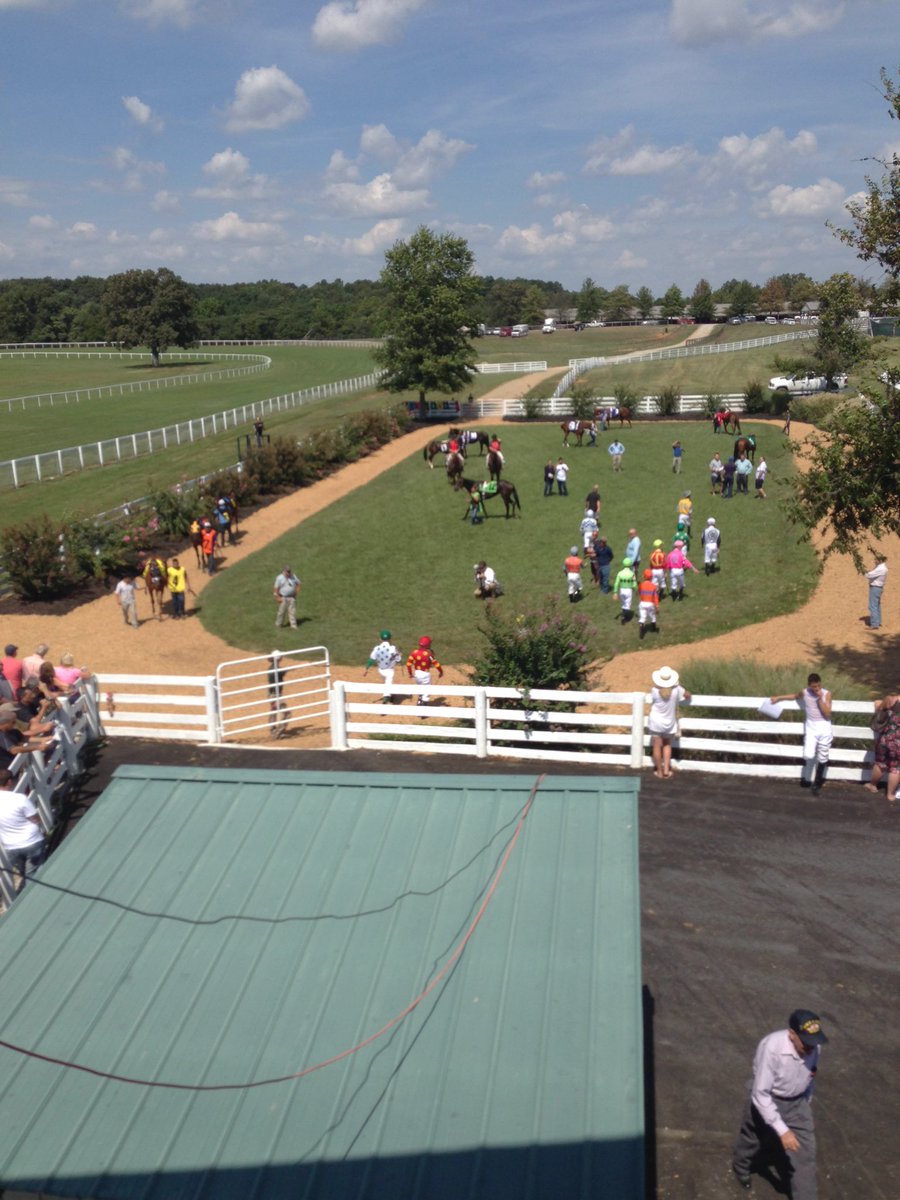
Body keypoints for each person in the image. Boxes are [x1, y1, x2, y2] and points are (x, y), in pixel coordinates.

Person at [732, 1009, 828, 1197]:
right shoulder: (771, 1047)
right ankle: (741, 1166)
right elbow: (761, 1094)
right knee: (752, 1139)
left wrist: (806, 1100)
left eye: (814, 1042)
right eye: (806, 1043)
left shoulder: (815, 1045)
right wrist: (783, 1131)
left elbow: (811, 1073)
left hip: (797, 1103)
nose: (811, 1048)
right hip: (768, 1098)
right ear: (792, 1034)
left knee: (804, 1156)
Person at [771, 674, 833, 792]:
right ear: (809, 685)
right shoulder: (805, 692)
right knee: (808, 754)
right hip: (811, 726)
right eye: (814, 686)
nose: (817, 689)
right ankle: (807, 776)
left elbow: (828, 713)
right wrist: (779, 697)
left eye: (819, 685)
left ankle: (817, 782)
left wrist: (820, 699)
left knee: (823, 754)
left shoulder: (827, 694)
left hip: (824, 726)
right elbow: (795, 696)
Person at [0, 768, 47, 895]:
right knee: (33, 874)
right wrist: (42, 830)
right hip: (32, 841)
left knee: (22, 871)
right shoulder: (20, 798)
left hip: (11, 846)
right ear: (9, 782)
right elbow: (35, 818)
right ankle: (33, 897)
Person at [647, 665, 690, 778]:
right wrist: (678, 685)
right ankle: (666, 769)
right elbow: (688, 695)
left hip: (656, 722)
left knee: (656, 746)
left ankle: (659, 771)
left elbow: (661, 691)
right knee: (667, 744)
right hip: (669, 722)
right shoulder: (677, 690)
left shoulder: (654, 691)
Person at [864, 692, 900, 801]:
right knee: (896, 768)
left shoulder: (892, 699)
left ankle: (873, 785)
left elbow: (878, 704)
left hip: (886, 737)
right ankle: (890, 794)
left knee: (880, 763)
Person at [364, 630, 403, 702]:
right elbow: (398, 660)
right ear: (390, 638)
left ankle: (389, 695)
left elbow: (371, 659)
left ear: (380, 639)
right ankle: (386, 697)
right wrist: (399, 655)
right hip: (389, 670)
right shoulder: (392, 648)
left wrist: (367, 668)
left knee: (385, 682)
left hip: (381, 670)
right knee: (388, 682)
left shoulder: (376, 648)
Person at [406, 636, 443, 706]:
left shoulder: (414, 652)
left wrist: (410, 673)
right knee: (427, 690)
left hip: (417, 673)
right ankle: (423, 704)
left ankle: (420, 699)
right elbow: (436, 664)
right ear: (428, 644)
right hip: (425, 674)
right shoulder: (429, 654)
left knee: (420, 687)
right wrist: (441, 672)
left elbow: (408, 664)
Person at [864, 552, 888, 630]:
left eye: (876, 559)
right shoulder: (881, 567)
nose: (874, 561)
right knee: (877, 605)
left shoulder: (880, 568)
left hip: (875, 588)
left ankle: (874, 624)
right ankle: (878, 622)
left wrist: (863, 571)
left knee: (873, 606)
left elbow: (869, 575)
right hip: (878, 588)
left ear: (880, 560)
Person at [613, 557, 637, 622]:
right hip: (629, 590)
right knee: (628, 605)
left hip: (621, 590)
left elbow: (616, 583)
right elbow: (634, 584)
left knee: (623, 603)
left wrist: (615, 592)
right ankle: (624, 616)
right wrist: (636, 589)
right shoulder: (632, 574)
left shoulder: (620, 573)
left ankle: (623, 615)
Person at [637, 570, 660, 639]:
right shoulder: (653, 586)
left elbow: (639, 591)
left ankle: (641, 628)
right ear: (651, 577)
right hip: (650, 603)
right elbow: (655, 597)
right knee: (652, 616)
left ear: (644, 577)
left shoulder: (641, 584)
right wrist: (657, 606)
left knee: (642, 617)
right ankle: (653, 628)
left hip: (642, 603)